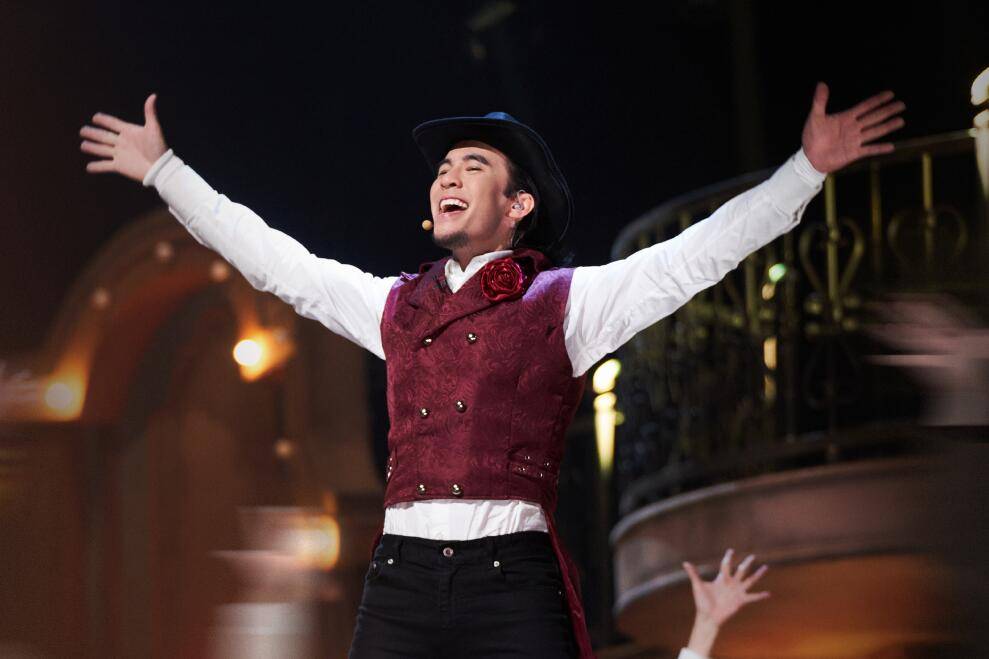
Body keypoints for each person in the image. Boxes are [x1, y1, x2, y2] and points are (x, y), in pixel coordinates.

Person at [79, 83, 904, 658]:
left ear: (518, 205)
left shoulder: (567, 302)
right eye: (442, 168)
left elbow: (694, 257)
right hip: (400, 582)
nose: (446, 174)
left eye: (471, 164)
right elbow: (276, 263)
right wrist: (166, 172)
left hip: (511, 585)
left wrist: (803, 172)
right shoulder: (393, 306)